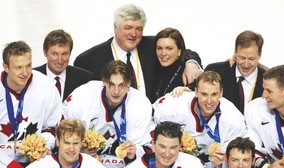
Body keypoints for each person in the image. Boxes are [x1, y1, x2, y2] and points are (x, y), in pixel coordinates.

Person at [73, 3, 202, 101]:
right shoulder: (89, 60)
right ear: (115, 27)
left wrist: (191, 63)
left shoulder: (153, 46)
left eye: (139, 29)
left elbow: (181, 50)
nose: (133, 34)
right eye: (128, 27)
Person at [62, 60, 154, 168]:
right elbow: (62, 134)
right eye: (111, 84)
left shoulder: (141, 104)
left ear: (129, 84)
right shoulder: (82, 96)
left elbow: (151, 147)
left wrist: (135, 152)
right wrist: (79, 149)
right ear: (104, 82)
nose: (116, 91)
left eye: (121, 85)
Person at [153, 71, 248, 168]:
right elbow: (150, 133)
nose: (209, 101)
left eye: (214, 94)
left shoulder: (234, 120)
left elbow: (232, 162)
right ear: (196, 92)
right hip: (169, 165)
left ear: (221, 93)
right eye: (204, 94)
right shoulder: (172, 107)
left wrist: (219, 165)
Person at [0, 41, 61, 168]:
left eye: (28, 66)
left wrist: (42, 147)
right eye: (18, 67)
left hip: (35, 161)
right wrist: (11, 166)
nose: (25, 73)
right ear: (6, 67)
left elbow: (51, 129)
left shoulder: (46, 87)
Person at [245, 64, 284, 168]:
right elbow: (250, 148)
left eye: (269, 91)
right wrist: (266, 167)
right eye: (264, 89)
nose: (264, 95)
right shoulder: (255, 109)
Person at [205, 30, 266, 114]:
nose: (246, 64)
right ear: (235, 53)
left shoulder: (268, 80)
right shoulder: (215, 71)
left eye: (251, 59)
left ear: (259, 56)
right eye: (242, 58)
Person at [34, 29, 95, 102]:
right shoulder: (32, 78)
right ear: (45, 52)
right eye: (55, 54)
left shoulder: (85, 80)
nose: (60, 60)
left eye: (64, 54)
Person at [150, 27, 197, 103]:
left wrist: (188, 90)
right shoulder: (152, 65)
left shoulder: (187, 70)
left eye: (169, 48)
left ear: (179, 51)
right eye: (159, 48)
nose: (163, 53)